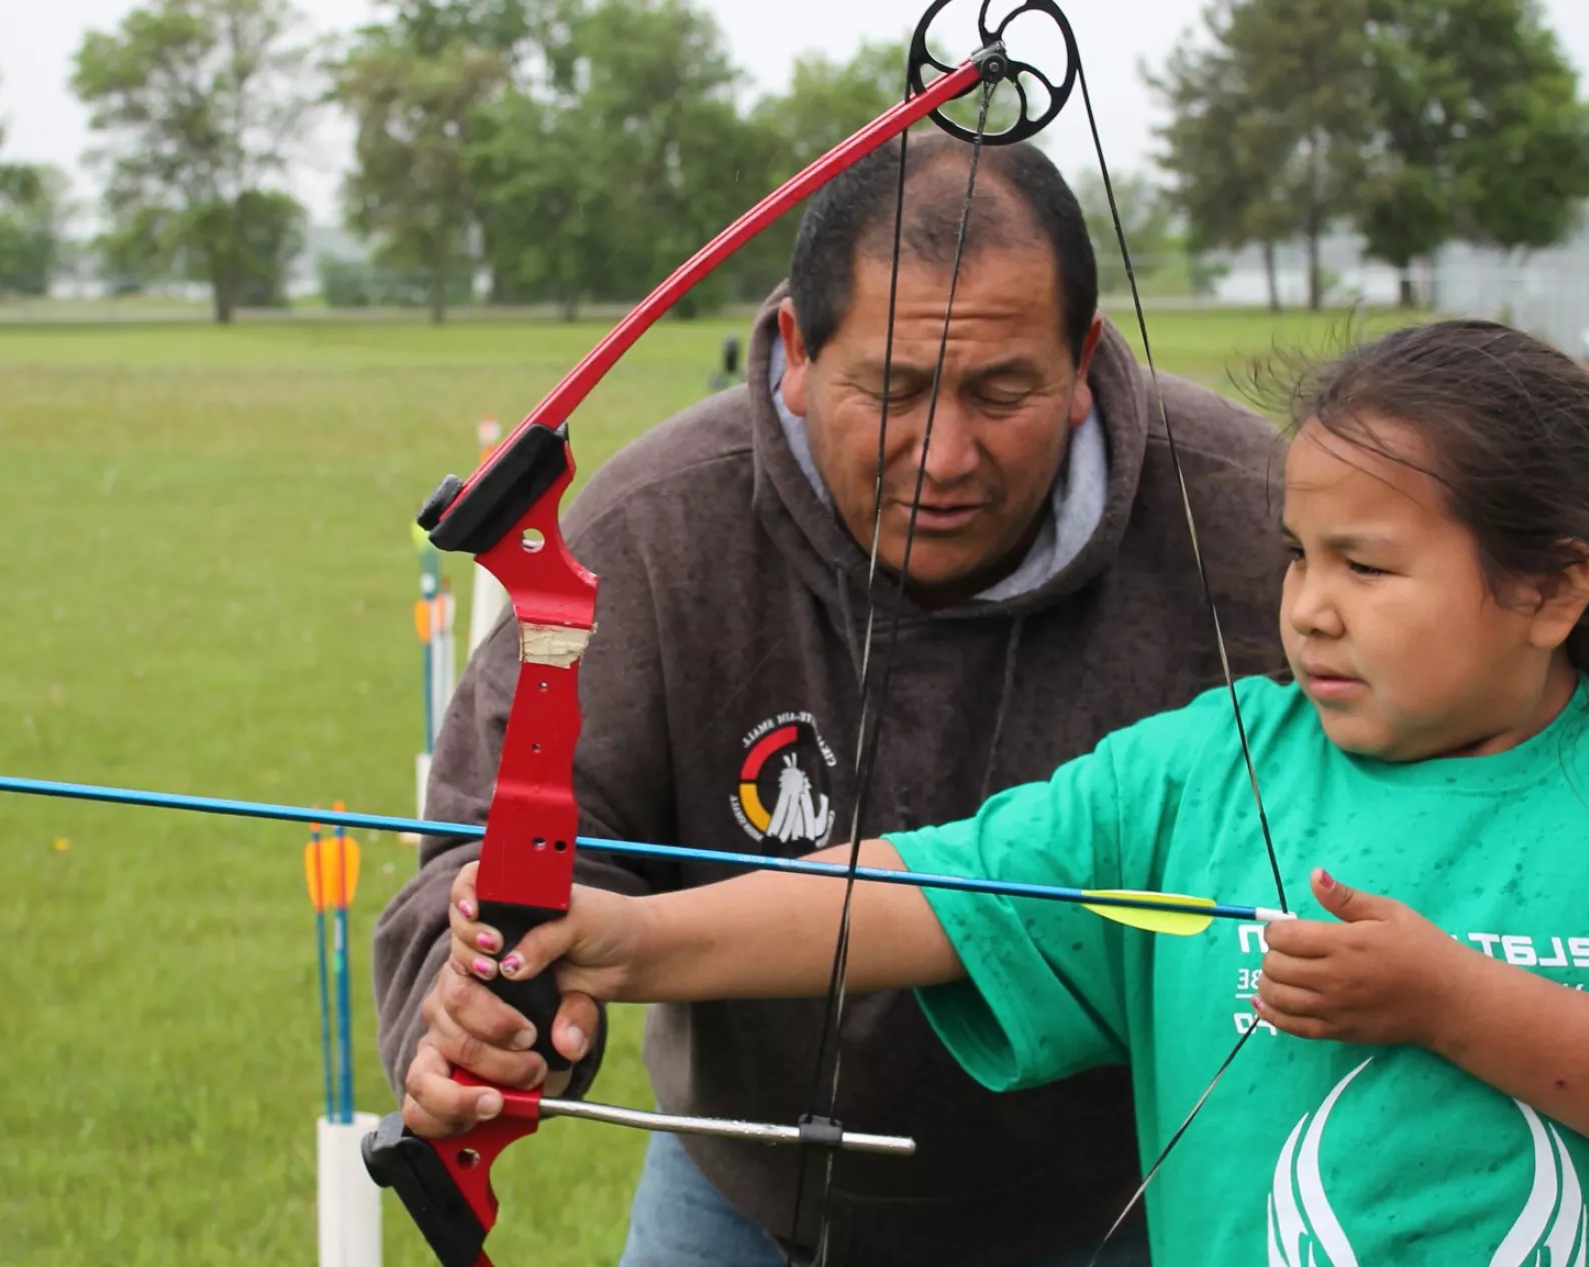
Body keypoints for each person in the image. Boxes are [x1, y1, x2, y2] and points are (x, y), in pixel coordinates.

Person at [429, 320, 1589, 1263]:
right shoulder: (1211, 759)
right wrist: (630, 935)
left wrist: (1448, 1000)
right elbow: (932, 891)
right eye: (1298, 557)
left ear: (1550, 588)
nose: (1308, 608)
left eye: (1367, 568)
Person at [372, 134, 1286, 1266]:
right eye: (892, 390)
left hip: (1136, 1186)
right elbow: (489, 858)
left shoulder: (1264, 522)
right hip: (749, 1190)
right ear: (797, 353)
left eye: (1003, 390)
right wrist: (479, 1021)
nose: (945, 456)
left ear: (1086, 359)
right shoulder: (653, 530)